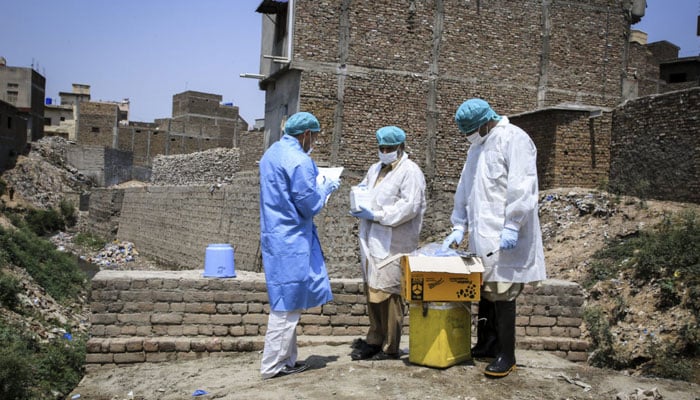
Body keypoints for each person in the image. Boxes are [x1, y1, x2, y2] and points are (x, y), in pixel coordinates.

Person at [441, 98, 546, 378]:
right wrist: (459, 224)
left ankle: (507, 354)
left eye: (471, 130)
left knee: (503, 292)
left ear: (486, 121)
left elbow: (522, 185)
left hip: (504, 233)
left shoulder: (514, 139)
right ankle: (486, 343)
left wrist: (513, 224)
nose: (468, 137)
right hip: (481, 233)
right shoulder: (478, 147)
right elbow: (466, 186)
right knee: (486, 289)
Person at [258, 111, 341, 379]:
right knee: (286, 306)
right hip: (292, 239)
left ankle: (288, 361)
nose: (314, 141)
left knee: (286, 301)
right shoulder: (299, 161)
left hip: (275, 235)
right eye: (314, 136)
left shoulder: (271, 153)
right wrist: (325, 188)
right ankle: (272, 366)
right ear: (306, 134)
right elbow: (310, 205)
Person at [350, 126, 426, 360]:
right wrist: (358, 201)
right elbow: (364, 189)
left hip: (395, 242)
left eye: (390, 148)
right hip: (372, 240)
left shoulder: (410, 172)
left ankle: (390, 346)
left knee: (389, 294)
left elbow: (409, 206)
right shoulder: (375, 169)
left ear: (401, 147)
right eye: (381, 148)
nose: (385, 152)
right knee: (373, 292)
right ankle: (374, 338)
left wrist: (379, 215)